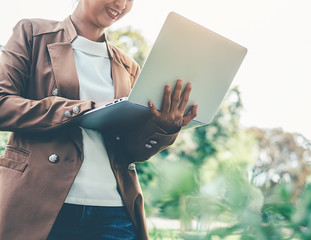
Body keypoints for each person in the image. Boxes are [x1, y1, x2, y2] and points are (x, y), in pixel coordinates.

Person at [0, 0, 198, 239]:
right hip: (42, 205)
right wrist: (83, 110)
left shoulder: (129, 68)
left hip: (115, 212)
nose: (121, 3)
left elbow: (129, 150)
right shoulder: (33, 34)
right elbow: (3, 103)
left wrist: (162, 127)